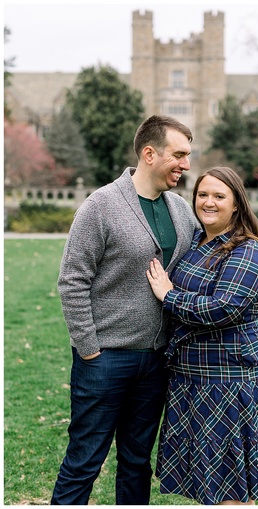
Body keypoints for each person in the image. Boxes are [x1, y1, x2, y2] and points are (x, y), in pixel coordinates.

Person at [52, 115, 198, 504]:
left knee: (136, 463)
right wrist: (89, 348)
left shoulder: (181, 210)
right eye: (179, 155)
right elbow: (72, 279)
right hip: (104, 360)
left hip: (155, 362)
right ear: (149, 154)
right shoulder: (101, 205)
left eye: (188, 155)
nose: (186, 165)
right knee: (84, 461)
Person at [146, 166, 258, 505]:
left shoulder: (249, 250)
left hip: (228, 380)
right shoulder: (195, 241)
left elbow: (224, 307)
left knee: (231, 485)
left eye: (219, 196)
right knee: (207, 481)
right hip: (191, 377)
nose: (208, 202)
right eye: (202, 195)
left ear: (236, 204)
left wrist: (168, 295)